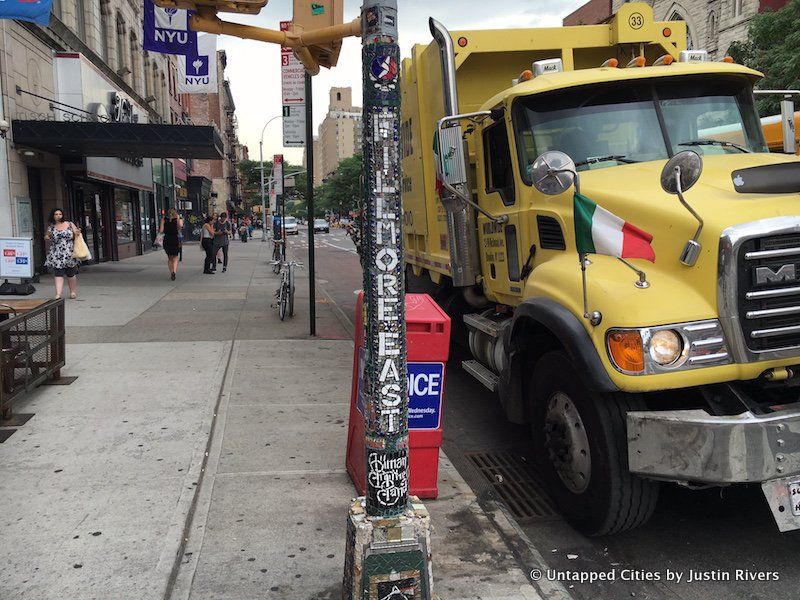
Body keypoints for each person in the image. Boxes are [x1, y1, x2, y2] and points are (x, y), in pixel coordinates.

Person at [44, 208, 80, 299]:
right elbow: (47, 235)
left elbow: (76, 233)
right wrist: (47, 237)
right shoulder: (51, 227)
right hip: (57, 253)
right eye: (56, 214)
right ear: (53, 216)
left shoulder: (69, 224)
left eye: (60, 214)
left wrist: (77, 232)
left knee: (71, 273)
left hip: (69, 252)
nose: (58, 216)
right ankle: (58, 294)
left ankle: (72, 292)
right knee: (58, 274)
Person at [160, 208, 183, 280]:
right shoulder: (176, 220)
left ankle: (171, 272)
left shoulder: (163, 219)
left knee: (170, 258)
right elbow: (179, 229)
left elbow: (161, 231)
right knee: (175, 257)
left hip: (167, 239)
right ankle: (174, 272)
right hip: (175, 239)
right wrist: (178, 219)